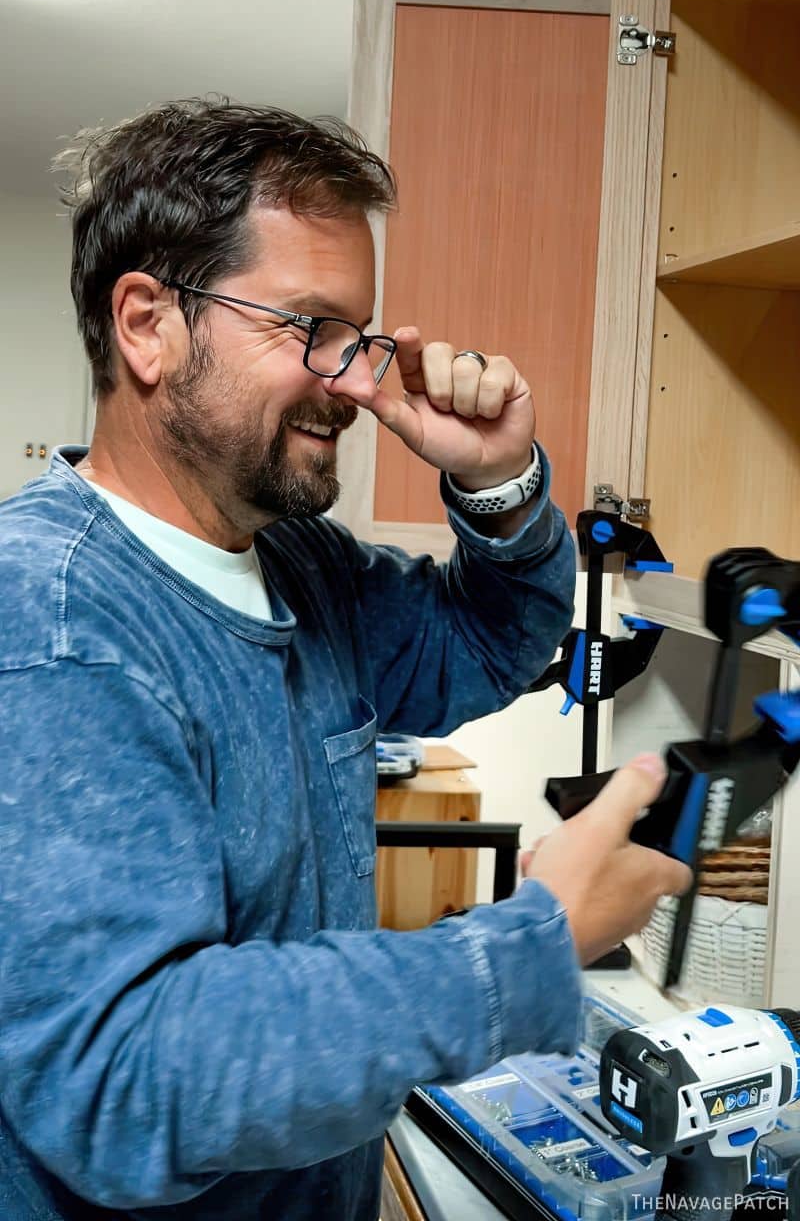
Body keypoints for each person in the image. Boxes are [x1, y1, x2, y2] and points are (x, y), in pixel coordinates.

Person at [0, 99, 690, 1221]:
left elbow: (489, 641)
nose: (354, 382)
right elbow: (126, 1077)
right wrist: (526, 949)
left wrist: (496, 481)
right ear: (146, 324)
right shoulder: (51, 620)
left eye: (359, 336)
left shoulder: (299, 564)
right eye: (308, 328)